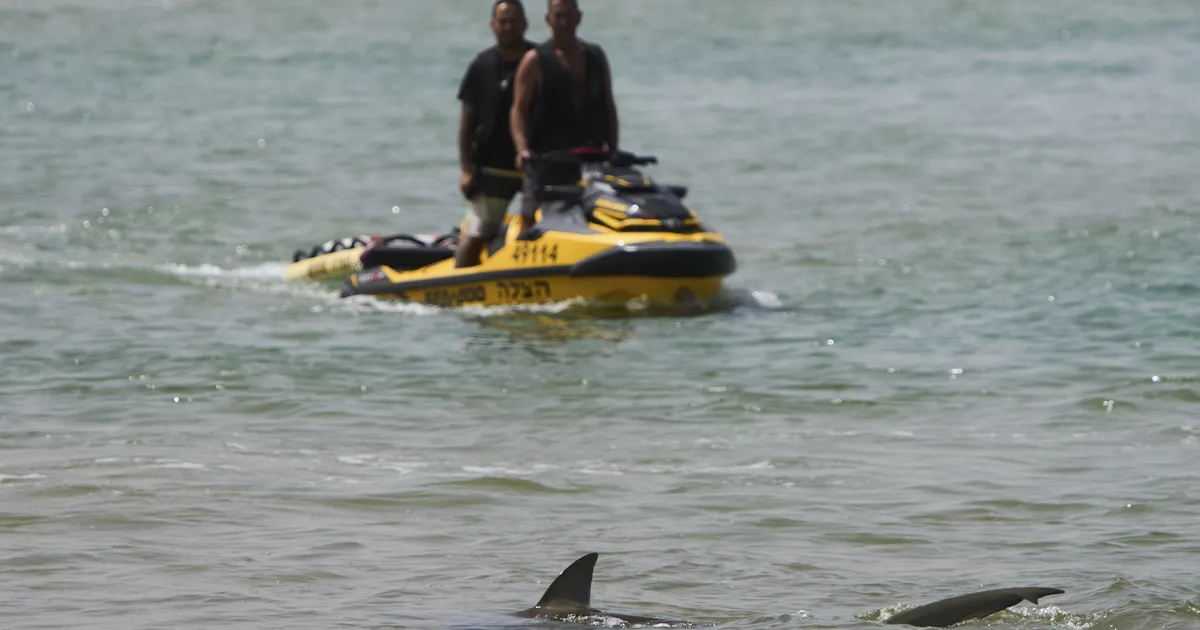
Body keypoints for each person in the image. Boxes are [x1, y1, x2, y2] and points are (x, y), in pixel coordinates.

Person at [510, 0, 619, 237]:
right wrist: (523, 149)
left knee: (594, 208)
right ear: (548, 20)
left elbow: (608, 105)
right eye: (558, 16)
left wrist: (614, 148)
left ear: (578, 18)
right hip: (545, 156)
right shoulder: (535, 60)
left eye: (569, 16)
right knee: (532, 212)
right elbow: (518, 110)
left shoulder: (595, 56)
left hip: (590, 152)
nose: (564, 22)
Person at [455, 0, 536, 267]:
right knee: (476, 235)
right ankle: (458, 287)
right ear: (493, 25)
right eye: (503, 22)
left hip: (533, 165)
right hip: (491, 166)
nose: (509, 27)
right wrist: (466, 170)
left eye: (514, 21)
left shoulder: (539, 60)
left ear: (524, 24)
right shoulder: (482, 65)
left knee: (536, 233)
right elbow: (467, 124)